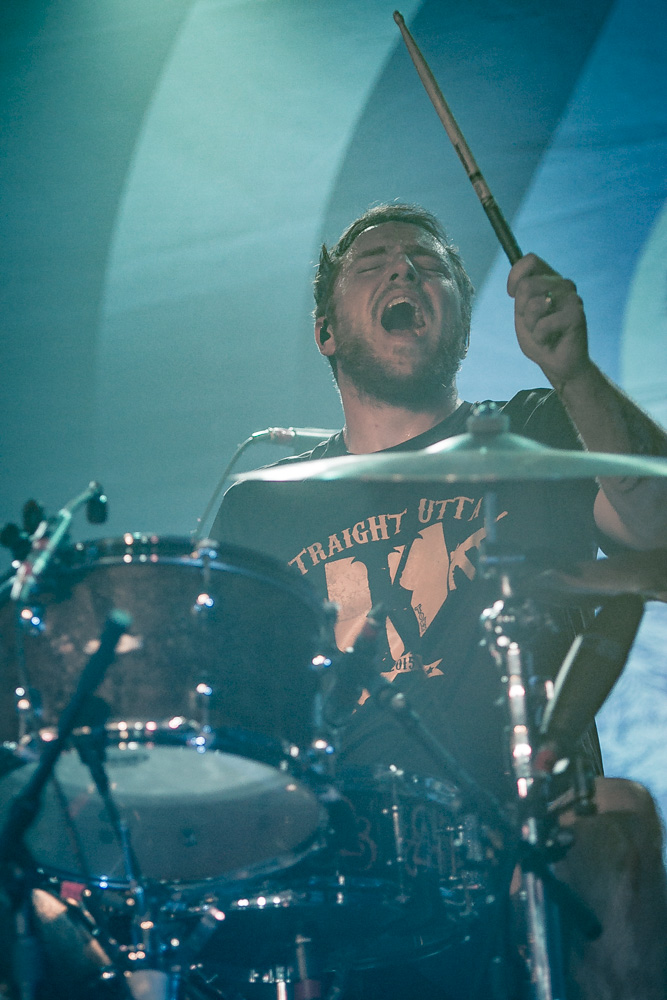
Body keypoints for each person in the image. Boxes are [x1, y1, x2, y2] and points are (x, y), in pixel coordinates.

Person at [213, 204, 667, 999]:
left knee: (614, 819)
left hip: (523, 823)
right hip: (341, 851)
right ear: (326, 331)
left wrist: (574, 373)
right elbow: (236, 711)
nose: (402, 270)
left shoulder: (536, 428)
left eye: (427, 264)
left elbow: (656, 523)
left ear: (456, 315)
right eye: (373, 262)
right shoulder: (263, 507)